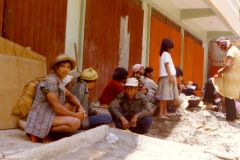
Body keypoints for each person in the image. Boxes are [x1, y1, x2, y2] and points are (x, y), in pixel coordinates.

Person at [25, 54, 86, 143]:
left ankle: (42, 130)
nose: (65, 70)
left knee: (72, 105)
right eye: (62, 66)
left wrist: (80, 108)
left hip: (49, 113)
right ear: (56, 67)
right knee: (76, 122)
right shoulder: (50, 81)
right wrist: (76, 115)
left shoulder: (58, 80)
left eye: (68, 67)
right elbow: (57, 107)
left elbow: (70, 96)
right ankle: (38, 132)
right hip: (41, 115)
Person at [203, 37, 240, 121]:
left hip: (231, 77)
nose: (220, 48)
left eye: (220, 46)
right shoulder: (234, 49)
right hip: (234, 77)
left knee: (210, 82)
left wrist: (220, 71)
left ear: (224, 44)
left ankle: (208, 102)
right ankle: (231, 117)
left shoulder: (231, 51)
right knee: (229, 97)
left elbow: (228, 65)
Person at [155, 38, 179, 119]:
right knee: (164, 96)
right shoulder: (165, 54)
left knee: (166, 96)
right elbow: (167, 65)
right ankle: (161, 113)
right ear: (167, 47)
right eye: (170, 48)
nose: (171, 49)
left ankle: (164, 112)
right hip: (167, 77)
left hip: (167, 76)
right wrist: (170, 76)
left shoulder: (164, 54)